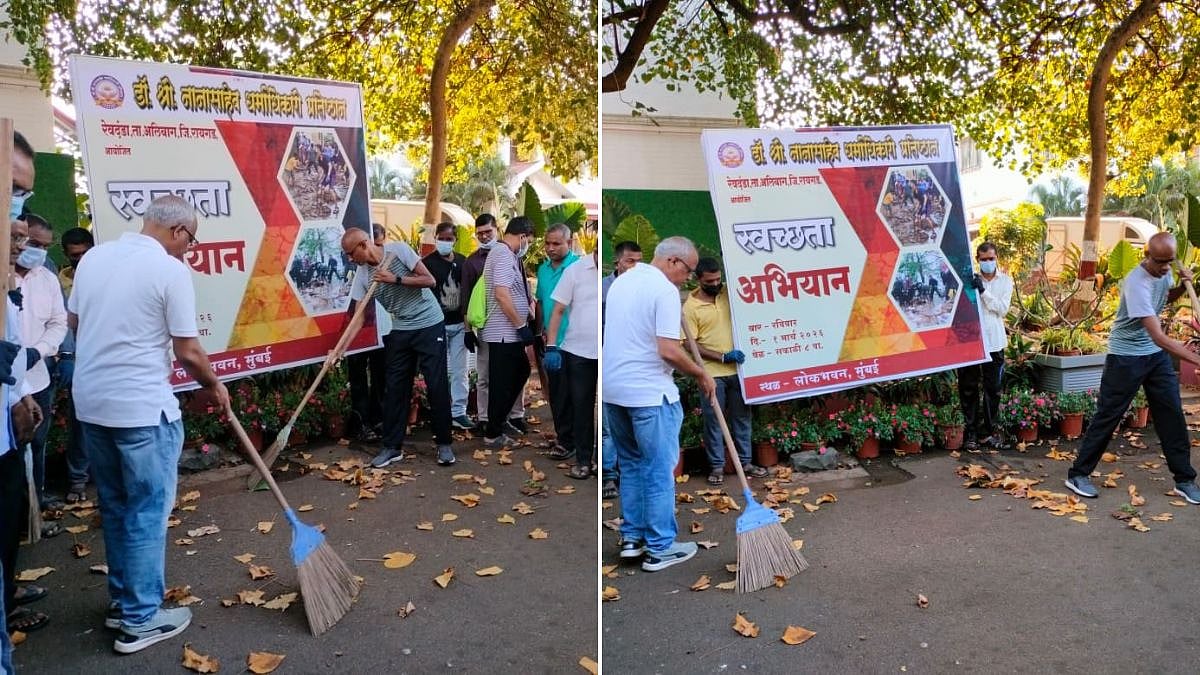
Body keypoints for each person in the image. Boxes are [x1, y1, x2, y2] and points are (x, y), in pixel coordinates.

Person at [69, 195, 230, 654]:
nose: (188, 249)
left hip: (92, 405)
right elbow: (188, 350)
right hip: (141, 410)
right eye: (191, 239)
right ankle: (141, 619)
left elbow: (76, 321)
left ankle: (123, 603)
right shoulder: (169, 270)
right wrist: (215, 386)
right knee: (146, 511)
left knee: (118, 507)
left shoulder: (95, 258)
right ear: (178, 231)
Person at [603, 236, 715, 572]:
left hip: (614, 391)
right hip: (650, 395)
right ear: (673, 262)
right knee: (657, 469)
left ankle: (633, 539)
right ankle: (660, 547)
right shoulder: (664, 291)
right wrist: (700, 374)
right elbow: (667, 350)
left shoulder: (623, 281)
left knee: (633, 466)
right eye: (690, 272)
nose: (689, 280)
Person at [1064, 232, 1200, 503]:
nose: (1165, 267)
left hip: (1154, 356)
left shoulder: (1165, 271)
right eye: (1160, 262)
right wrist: (1196, 359)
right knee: (1108, 415)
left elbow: (1166, 298)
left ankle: (1184, 479)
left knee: (1171, 413)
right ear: (1146, 256)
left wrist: (1183, 287)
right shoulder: (1136, 283)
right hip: (1125, 357)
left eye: (1169, 261)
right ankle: (1078, 474)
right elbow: (1158, 336)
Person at [341, 226, 456, 468]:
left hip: (428, 323)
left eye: (351, 253)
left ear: (363, 245)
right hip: (401, 329)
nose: (350, 259)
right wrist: (340, 349)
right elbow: (359, 317)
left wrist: (396, 279)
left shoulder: (399, 251)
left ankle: (444, 443)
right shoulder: (363, 275)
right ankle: (392, 447)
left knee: (436, 384)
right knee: (394, 389)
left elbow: (430, 280)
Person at [2, 130, 47, 647]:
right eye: (12, 187)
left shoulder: (17, 278)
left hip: (9, 432)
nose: (19, 217)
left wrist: (18, 392)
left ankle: (8, 597)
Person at [683, 257, 766, 485]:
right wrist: (721, 356)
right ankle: (717, 467)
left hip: (738, 370)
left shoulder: (728, 293)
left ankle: (746, 462)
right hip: (712, 373)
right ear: (699, 280)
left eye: (719, 279)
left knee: (742, 417)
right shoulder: (690, 307)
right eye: (710, 281)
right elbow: (689, 343)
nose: (716, 283)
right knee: (714, 421)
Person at [10, 216, 67, 524]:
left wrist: (39, 351)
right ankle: (16, 516)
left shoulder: (46, 278)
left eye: (46, 247)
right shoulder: (6, 277)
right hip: (7, 385)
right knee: (10, 451)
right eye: (34, 244)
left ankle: (35, 510)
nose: (39, 252)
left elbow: (58, 322)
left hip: (38, 377)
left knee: (37, 444)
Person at [462, 213, 525, 436]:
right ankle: (490, 424)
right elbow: (495, 294)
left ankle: (505, 419)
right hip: (498, 329)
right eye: (479, 234)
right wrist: (468, 329)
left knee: (514, 373)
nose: (484, 236)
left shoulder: (509, 254)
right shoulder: (487, 258)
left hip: (505, 330)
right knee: (493, 378)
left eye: (487, 231)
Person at [479, 217, 536, 447]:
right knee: (503, 382)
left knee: (520, 371)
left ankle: (499, 420)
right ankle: (493, 433)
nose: (528, 245)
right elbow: (502, 294)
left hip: (508, 331)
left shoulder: (507, 254)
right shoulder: (503, 254)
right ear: (522, 236)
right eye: (529, 241)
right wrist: (521, 326)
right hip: (504, 331)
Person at [543, 245, 598, 479]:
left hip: (610, 353)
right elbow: (558, 310)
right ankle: (583, 461)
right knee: (581, 407)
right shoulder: (575, 271)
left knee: (608, 411)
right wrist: (552, 346)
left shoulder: (616, 276)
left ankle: (605, 466)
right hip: (577, 351)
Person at [958, 242, 1013, 450]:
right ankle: (970, 434)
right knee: (968, 388)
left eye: (991, 258)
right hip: (971, 342)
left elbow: (1002, 309)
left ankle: (987, 433)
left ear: (996, 258)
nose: (988, 262)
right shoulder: (969, 281)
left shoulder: (1005, 282)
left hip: (995, 342)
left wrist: (983, 292)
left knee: (993, 390)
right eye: (984, 259)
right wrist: (972, 287)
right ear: (978, 260)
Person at [599, 240, 642, 499]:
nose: (635, 267)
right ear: (617, 262)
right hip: (609, 364)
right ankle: (608, 476)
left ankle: (631, 475)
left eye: (639, 261)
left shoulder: (644, 289)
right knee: (608, 424)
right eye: (630, 261)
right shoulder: (603, 289)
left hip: (635, 365)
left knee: (634, 422)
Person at [422, 222, 473, 430]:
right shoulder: (426, 263)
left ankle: (458, 412)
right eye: (441, 238)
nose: (444, 242)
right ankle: (439, 411)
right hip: (437, 325)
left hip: (460, 324)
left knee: (460, 371)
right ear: (435, 238)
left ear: (455, 240)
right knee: (438, 371)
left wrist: (469, 326)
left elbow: (469, 291)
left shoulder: (463, 262)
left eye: (449, 239)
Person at [56, 227, 94, 504]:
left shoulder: (105, 276)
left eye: (84, 254)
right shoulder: (59, 283)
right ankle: (78, 480)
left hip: (107, 358)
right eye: (74, 256)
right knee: (80, 423)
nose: (79, 261)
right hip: (78, 360)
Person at [536, 224, 579, 459]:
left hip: (577, 342)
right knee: (558, 393)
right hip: (552, 343)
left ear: (569, 243)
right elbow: (541, 303)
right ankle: (565, 439)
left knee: (578, 395)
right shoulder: (542, 270)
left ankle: (578, 442)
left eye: (556, 244)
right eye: (547, 243)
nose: (550, 248)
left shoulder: (579, 267)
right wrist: (539, 332)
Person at [345, 223, 388, 441]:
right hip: (363, 332)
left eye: (379, 244)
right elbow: (357, 313)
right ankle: (361, 423)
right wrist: (341, 348)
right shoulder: (362, 273)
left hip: (385, 332)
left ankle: (379, 420)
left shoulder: (392, 260)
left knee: (382, 378)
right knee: (359, 379)